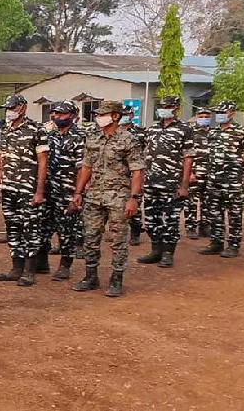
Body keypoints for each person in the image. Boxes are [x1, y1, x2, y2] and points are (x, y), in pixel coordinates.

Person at [69, 101, 144, 297]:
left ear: (115, 116)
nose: (98, 118)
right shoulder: (93, 137)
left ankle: (116, 279)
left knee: (118, 240)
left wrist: (134, 198)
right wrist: (78, 193)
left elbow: (137, 171)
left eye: (102, 114)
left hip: (119, 197)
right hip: (94, 196)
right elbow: (86, 166)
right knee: (91, 237)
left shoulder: (129, 140)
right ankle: (91, 276)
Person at [0, 95, 49, 286]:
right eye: (7, 108)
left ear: (23, 108)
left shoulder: (36, 130)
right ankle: (16, 267)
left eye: (12, 107)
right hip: (9, 187)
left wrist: (39, 191)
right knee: (12, 228)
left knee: (31, 229)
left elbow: (43, 161)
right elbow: (1, 155)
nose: (9, 111)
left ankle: (29, 270)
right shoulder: (4, 131)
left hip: (28, 188)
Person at [137, 96, 194, 268]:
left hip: (171, 183)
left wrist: (184, 185)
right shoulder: (152, 129)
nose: (163, 109)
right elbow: (144, 154)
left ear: (176, 108)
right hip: (151, 182)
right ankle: (156, 250)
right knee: (151, 218)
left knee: (170, 219)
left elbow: (188, 158)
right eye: (161, 106)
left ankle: (168, 253)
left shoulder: (184, 129)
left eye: (167, 106)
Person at [199, 101, 244, 259]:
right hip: (214, 181)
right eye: (218, 112)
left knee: (234, 214)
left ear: (232, 113)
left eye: (223, 112)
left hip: (233, 182)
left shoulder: (243, 132)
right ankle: (216, 243)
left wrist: (238, 171)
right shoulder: (213, 132)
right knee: (214, 213)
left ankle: (234, 245)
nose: (220, 115)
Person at [43, 101, 85, 281]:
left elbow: (84, 168)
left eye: (61, 114)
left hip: (69, 190)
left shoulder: (80, 136)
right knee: (43, 226)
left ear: (73, 115)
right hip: (49, 189)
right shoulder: (50, 135)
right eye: (55, 114)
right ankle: (41, 262)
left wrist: (79, 193)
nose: (57, 117)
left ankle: (65, 266)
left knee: (67, 229)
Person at [118, 105, 145, 246]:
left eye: (126, 114)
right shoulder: (113, 131)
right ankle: (117, 232)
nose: (123, 116)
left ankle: (135, 232)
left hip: (134, 172)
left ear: (132, 115)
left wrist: (142, 179)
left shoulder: (140, 133)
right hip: (117, 174)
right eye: (121, 114)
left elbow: (146, 155)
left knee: (135, 203)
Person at [185, 108, 212, 240]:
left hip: (211, 174)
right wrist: (189, 173)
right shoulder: (191, 133)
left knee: (207, 202)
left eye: (206, 116)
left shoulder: (214, 133)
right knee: (191, 202)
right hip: (195, 174)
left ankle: (204, 227)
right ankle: (190, 226)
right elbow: (185, 155)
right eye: (201, 115)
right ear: (196, 117)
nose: (204, 117)